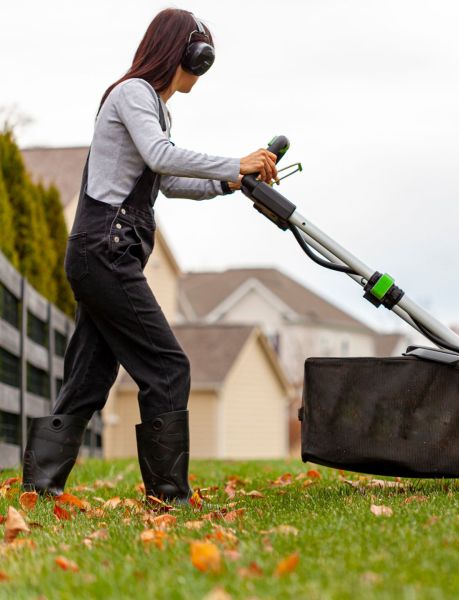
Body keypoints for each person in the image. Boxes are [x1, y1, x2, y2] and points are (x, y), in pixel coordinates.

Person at [22, 8, 277, 502]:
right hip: (105, 251)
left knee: (89, 376)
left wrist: (233, 180)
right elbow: (161, 156)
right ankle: (168, 495)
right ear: (181, 52)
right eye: (200, 57)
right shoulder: (132, 93)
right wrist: (233, 160)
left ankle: (39, 486)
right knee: (168, 367)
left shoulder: (157, 108)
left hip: (108, 253)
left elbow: (171, 179)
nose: (202, 69)